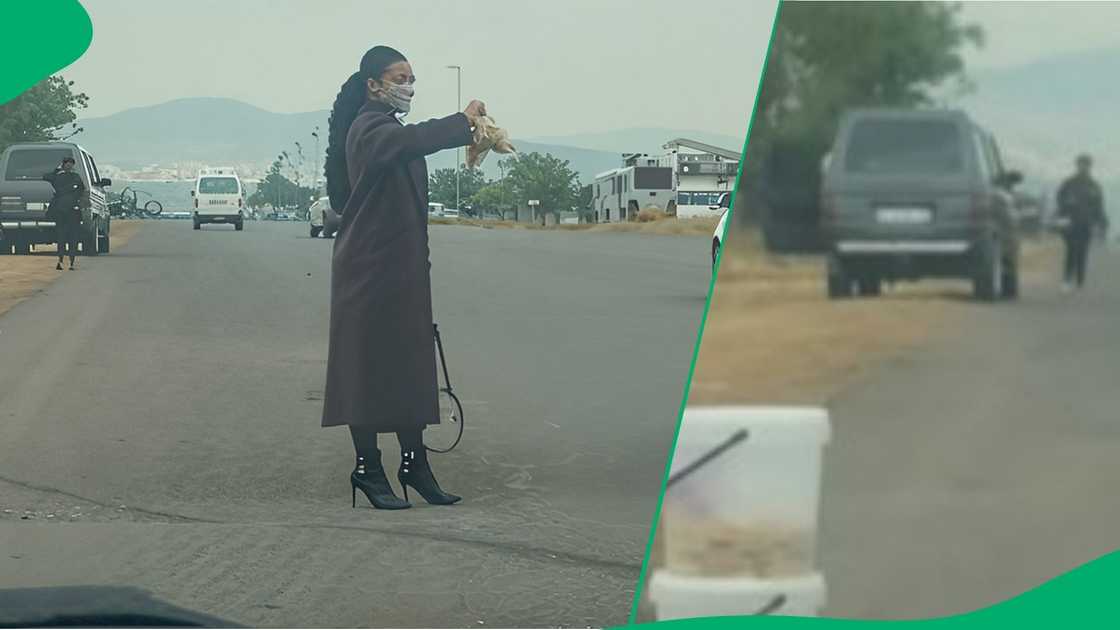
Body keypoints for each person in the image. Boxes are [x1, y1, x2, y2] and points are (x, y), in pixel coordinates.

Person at [321, 45, 485, 510]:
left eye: (412, 77)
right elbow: (409, 142)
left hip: (403, 270)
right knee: (367, 370)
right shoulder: (369, 129)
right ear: (374, 85)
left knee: (410, 367)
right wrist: (462, 122)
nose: (407, 86)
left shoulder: (387, 128)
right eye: (399, 77)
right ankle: (367, 470)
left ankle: (415, 466)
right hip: (367, 272)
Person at [1055, 154, 1109, 291]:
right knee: (1071, 250)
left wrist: (1102, 224)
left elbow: (1099, 207)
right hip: (1070, 223)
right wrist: (1065, 207)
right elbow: (1059, 199)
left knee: (1082, 252)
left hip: (1086, 224)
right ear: (1077, 165)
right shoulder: (1068, 183)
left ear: (1089, 167)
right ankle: (1067, 279)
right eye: (1081, 164)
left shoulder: (1094, 186)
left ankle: (1080, 279)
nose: (1083, 167)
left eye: (1086, 164)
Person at [43, 157, 85, 270]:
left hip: (73, 211)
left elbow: (82, 191)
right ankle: (60, 261)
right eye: (67, 164)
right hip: (60, 211)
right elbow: (46, 177)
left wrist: (75, 201)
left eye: (71, 164)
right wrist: (57, 169)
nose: (69, 166)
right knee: (61, 236)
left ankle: (72, 262)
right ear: (63, 164)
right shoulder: (57, 176)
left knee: (73, 237)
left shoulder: (76, 177)